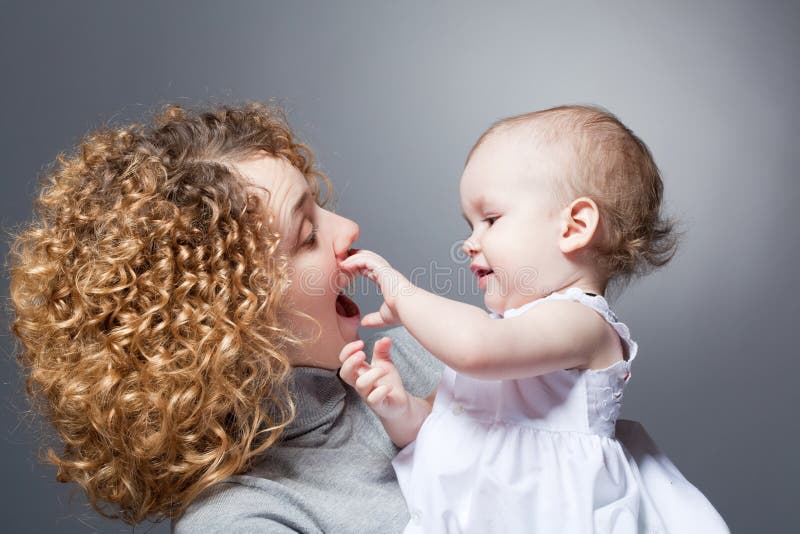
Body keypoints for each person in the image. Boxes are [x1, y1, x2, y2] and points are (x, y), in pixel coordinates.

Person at [8, 101, 440, 532]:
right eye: (308, 235)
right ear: (233, 319)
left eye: (320, 205)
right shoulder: (245, 518)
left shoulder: (432, 351)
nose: (348, 228)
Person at [339, 105, 730, 533]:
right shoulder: (511, 336)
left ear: (574, 227)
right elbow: (442, 431)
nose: (470, 242)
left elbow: (476, 347)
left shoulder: (582, 324)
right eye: (470, 224)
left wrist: (400, 288)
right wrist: (401, 409)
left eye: (490, 219)